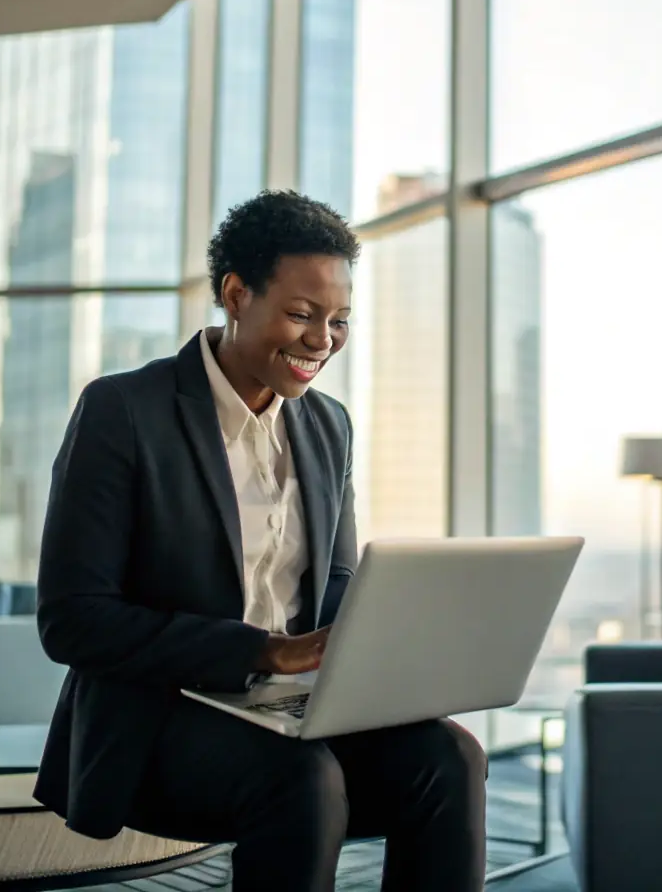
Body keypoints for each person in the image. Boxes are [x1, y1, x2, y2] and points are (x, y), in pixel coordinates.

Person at [32, 190, 487, 892]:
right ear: (236, 294)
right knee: (301, 778)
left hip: (293, 708)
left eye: (339, 321)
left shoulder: (326, 424)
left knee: (449, 757)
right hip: (160, 717)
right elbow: (72, 620)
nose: (321, 340)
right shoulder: (124, 411)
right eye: (302, 315)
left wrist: (391, 643)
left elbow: (332, 584)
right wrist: (261, 650)